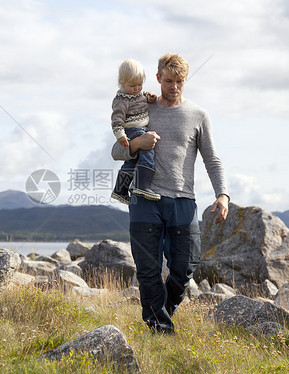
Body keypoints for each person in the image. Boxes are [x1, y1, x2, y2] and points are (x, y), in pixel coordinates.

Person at [111, 53, 230, 334]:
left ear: (185, 81)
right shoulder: (142, 108)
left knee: (184, 267)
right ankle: (160, 329)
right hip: (144, 199)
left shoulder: (198, 115)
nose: (174, 86)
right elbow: (117, 151)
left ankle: (161, 313)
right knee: (148, 270)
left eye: (179, 81)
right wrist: (137, 142)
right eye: (168, 81)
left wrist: (222, 194)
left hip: (183, 199)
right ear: (157, 79)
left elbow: (212, 159)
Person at [110, 59, 160, 205]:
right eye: (132, 85)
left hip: (139, 129)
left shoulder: (138, 94)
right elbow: (117, 119)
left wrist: (150, 98)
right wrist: (120, 135)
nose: (137, 88)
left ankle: (120, 190)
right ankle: (142, 185)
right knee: (147, 152)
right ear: (121, 82)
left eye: (140, 84)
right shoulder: (121, 100)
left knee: (131, 162)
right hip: (133, 130)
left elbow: (142, 99)